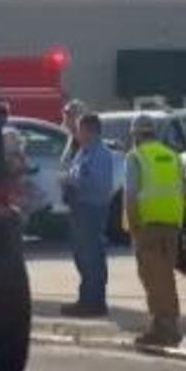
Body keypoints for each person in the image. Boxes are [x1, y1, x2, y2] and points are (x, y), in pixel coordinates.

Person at [124, 114, 186, 347]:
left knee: (152, 279)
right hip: (172, 225)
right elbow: (185, 190)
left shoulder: (136, 158)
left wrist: (133, 228)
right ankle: (170, 325)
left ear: (136, 135)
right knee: (166, 278)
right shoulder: (173, 157)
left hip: (147, 226)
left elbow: (130, 197)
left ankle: (162, 328)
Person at [59, 113, 114, 318]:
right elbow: (72, 170)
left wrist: (74, 183)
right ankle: (86, 300)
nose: (77, 134)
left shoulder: (100, 154)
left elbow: (98, 185)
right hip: (79, 208)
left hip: (91, 209)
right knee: (82, 256)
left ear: (91, 131)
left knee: (92, 257)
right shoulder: (83, 151)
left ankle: (94, 303)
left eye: (80, 129)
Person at [59, 101, 89, 165]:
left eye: (69, 114)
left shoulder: (85, 135)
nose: (65, 116)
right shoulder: (60, 131)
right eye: (65, 112)